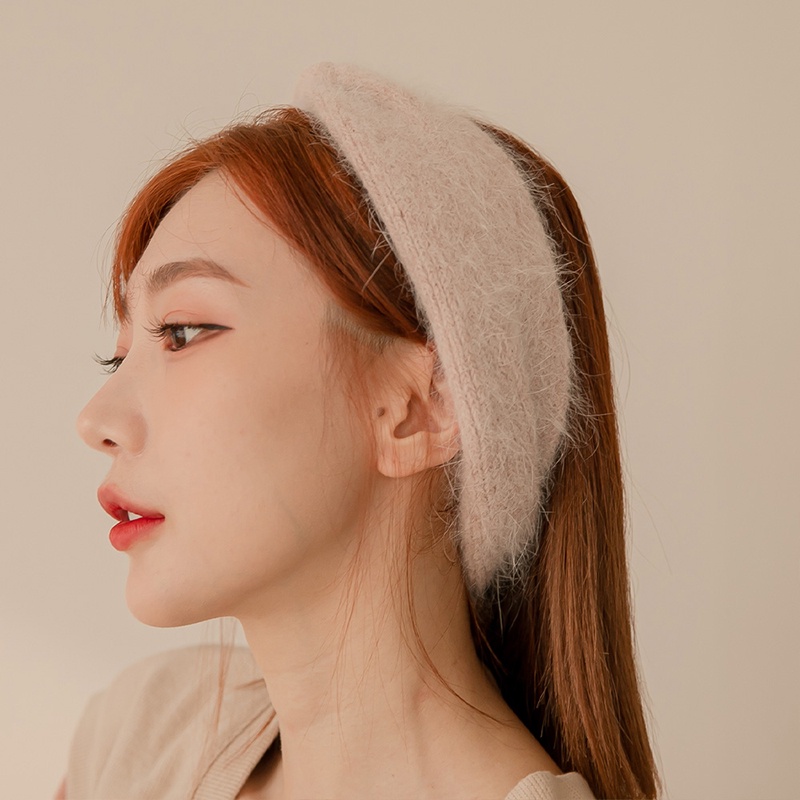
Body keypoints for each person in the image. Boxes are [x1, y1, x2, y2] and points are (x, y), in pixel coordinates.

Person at [57, 63, 661, 799]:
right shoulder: (143, 737)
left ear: (419, 408)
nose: (96, 420)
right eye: (119, 355)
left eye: (182, 332)